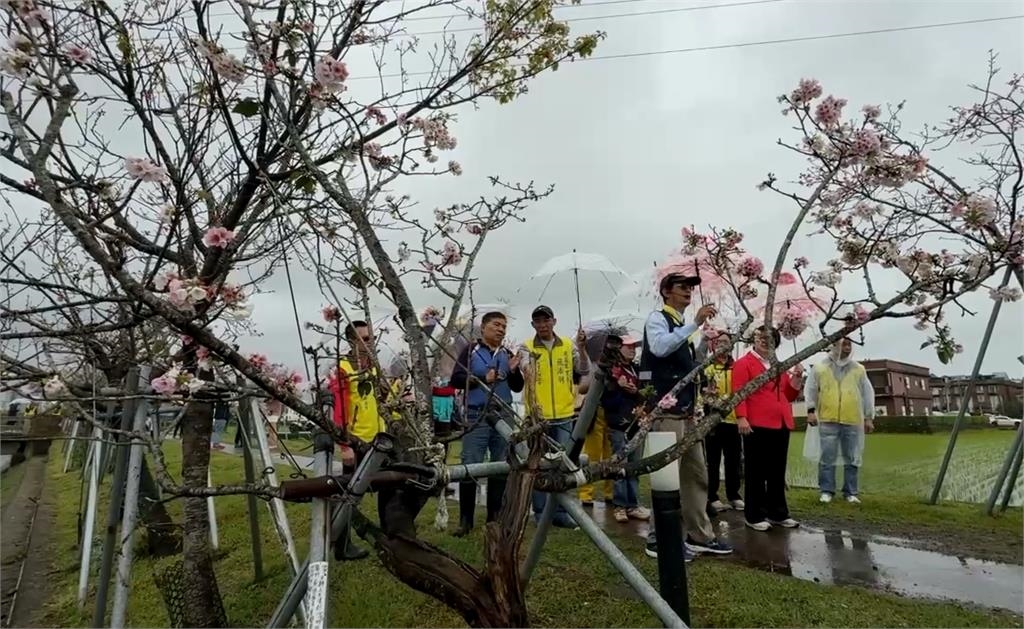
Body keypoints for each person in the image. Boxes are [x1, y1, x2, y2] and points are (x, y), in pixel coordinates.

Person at [640, 272, 732, 560]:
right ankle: (658, 539)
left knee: (696, 475)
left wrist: (704, 345)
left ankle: (699, 535)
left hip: (688, 413)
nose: (688, 292)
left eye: (691, 288)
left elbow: (686, 365)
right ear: (666, 291)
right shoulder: (658, 319)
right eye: (682, 287)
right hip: (665, 413)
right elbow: (659, 347)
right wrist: (695, 324)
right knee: (666, 478)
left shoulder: (682, 326)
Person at [450, 311, 524, 536]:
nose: (501, 329)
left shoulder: (506, 353)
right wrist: (483, 379)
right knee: (471, 464)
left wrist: (512, 371)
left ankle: (494, 517)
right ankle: (466, 521)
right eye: (496, 325)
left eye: (504, 326)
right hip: (476, 415)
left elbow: (518, 386)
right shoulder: (470, 351)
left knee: (501, 463)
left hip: (504, 414)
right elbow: (456, 380)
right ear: (483, 328)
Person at [731, 325, 805, 532]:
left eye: (770, 339)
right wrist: (741, 416)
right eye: (761, 338)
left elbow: (787, 396)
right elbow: (739, 391)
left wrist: (797, 378)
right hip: (756, 423)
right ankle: (754, 515)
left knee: (776, 470)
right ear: (754, 340)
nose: (765, 342)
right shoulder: (743, 364)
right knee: (756, 470)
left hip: (781, 422)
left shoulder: (778, 365)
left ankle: (778, 512)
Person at [523, 305, 590, 529]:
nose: (542, 325)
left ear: (554, 321)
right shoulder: (527, 346)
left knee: (563, 466)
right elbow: (522, 368)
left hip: (564, 415)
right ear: (533, 325)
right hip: (537, 418)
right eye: (538, 321)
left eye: (546, 320)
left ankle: (561, 512)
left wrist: (582, 348)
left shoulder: (568, 345)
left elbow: (582, 370)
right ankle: (541, 513)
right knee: (538, 465)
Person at [804, 337, 875, 504]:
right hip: (828, 419)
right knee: (827, 457)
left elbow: (867, 394)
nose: (847, 347)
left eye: (850, 344)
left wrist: (868, 417)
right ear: (834, 346)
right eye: (844, 344)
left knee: (852, 456)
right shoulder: (820, 368)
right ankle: (826, 490)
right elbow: (810, 390)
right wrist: (810, 411)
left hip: (852, 420)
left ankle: (850, 492)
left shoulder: (859, 369)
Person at [601, 334, 651, 523]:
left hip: (637, 424)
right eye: (628, 346)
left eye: (634, 346)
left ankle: (633, 504)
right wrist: (617, 387)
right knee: (619, 467)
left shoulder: (637, 369)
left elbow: (647, 393)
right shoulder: (611, 372)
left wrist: (638, 396)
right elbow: (606, 402)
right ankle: (620, 505)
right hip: (619, 425)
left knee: (634, 466)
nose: (632, 349)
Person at [703, 333, 744, 513]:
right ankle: (712, 496)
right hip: (713, 421)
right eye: (719, 342)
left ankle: (734, 495)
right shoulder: (708, 368)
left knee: (733, 460)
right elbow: (703, 393)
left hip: (734, 420)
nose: (723, 345)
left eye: (726, 342)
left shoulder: (737, 367)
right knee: (712, 460)